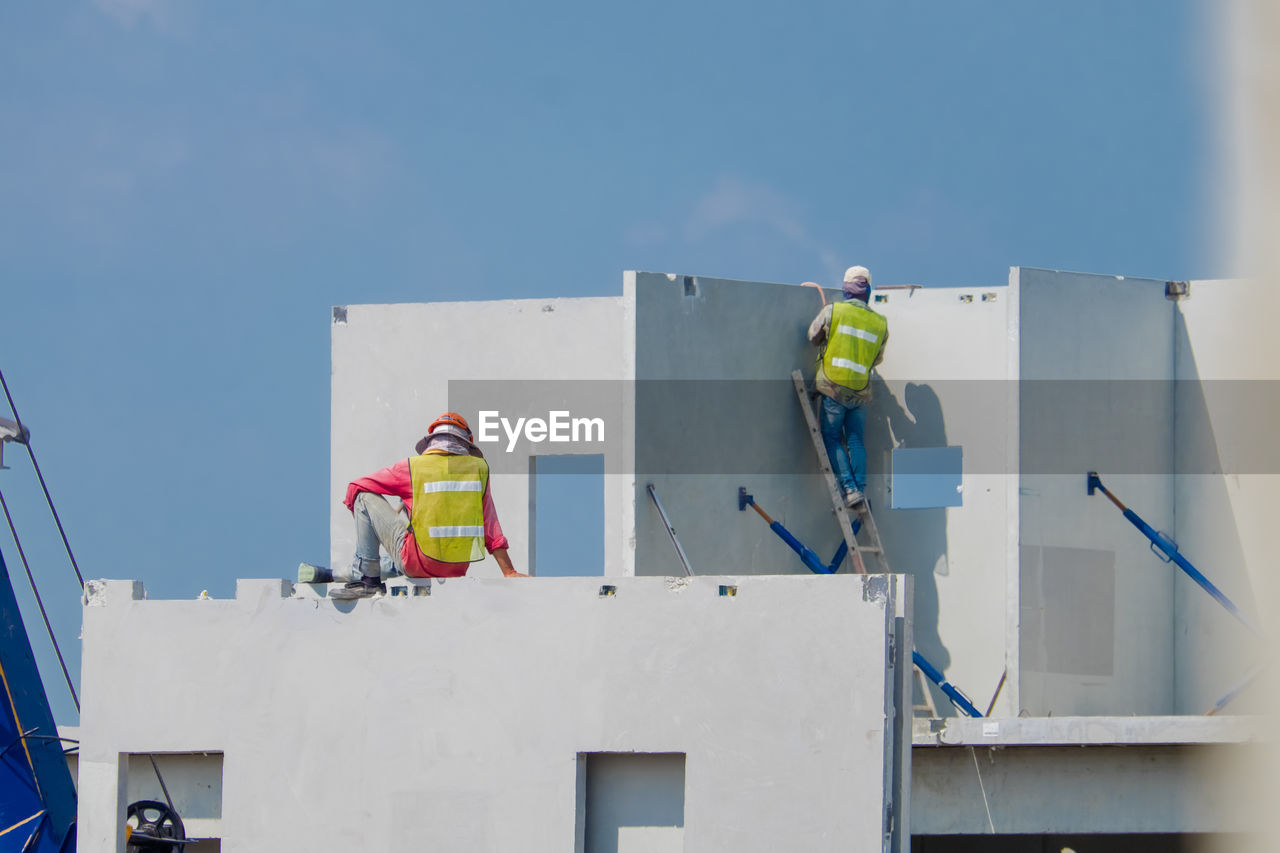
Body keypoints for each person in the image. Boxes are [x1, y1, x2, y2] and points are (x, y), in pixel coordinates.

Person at [332, 412, 527, 599]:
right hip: (456, 569)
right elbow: (490, 526)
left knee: (363, 497)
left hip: (416, 562)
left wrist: (371, 531)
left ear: (432, 441)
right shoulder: (478, 470)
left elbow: (355, 488)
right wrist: (509, 571)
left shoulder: (412, 467)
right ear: (468, 442)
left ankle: (368, 580)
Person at [807, 265, 889, 508]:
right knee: (855, 440)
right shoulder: (880, 323)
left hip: (833, 387)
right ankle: (860, 489)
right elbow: (877, 359)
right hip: (860, 391)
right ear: (868, 290)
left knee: (832, 438)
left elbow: (812, 336)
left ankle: (850, 489)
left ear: (846, 289)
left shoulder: (834, 311)